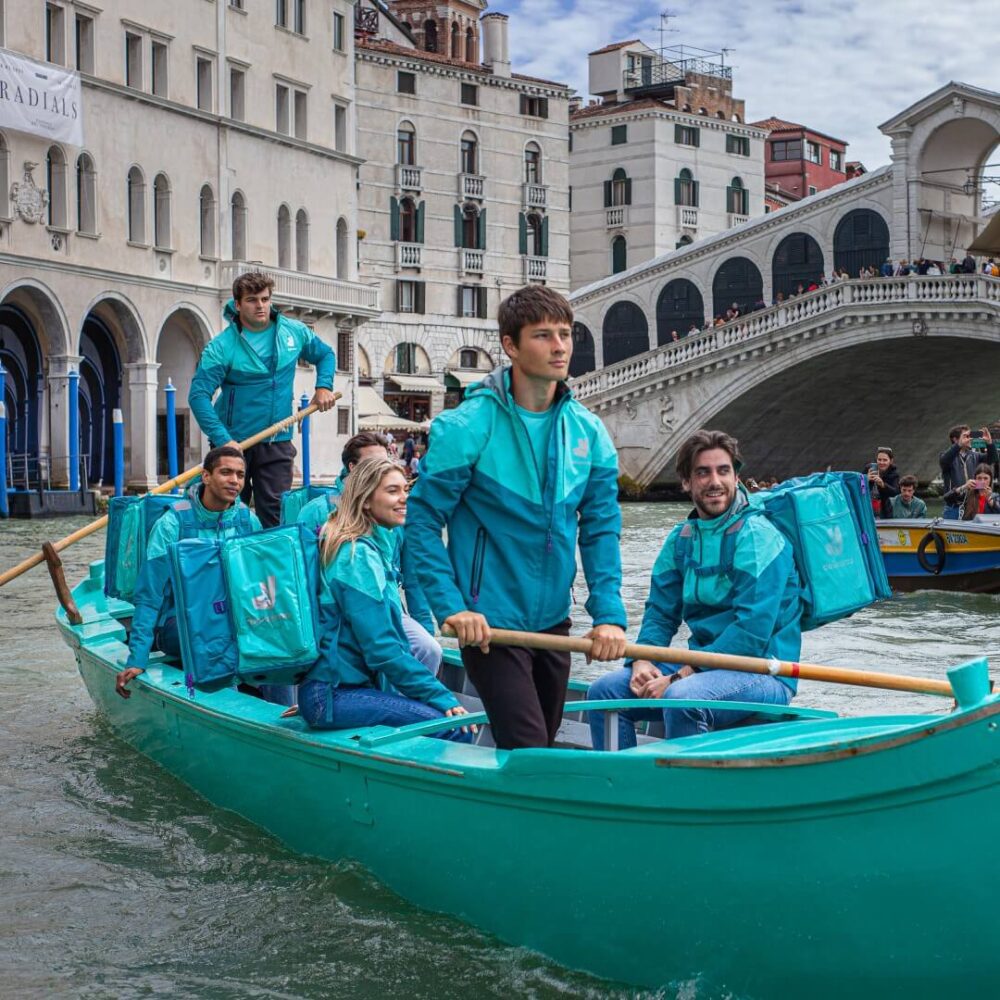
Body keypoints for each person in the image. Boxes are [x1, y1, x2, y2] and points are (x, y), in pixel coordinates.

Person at [405, 285, 627, 751]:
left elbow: (602, 530)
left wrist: (609, 616)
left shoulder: (590, 431)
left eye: (565, 334)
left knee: (541, 744)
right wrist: (451, 608)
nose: (560, 346)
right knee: (529, 749)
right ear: (511, 345)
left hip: (554, 622)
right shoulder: (465, 426)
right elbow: (422, 524)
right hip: (488, 626)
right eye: (544, 335)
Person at [586, 430, 801, 748]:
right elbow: (660, 613)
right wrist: (642, 661)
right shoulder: (680, 540)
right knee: (604, 693)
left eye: (723, 471)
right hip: (700, 665)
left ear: (735, 476)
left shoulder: (758, 537)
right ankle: (624, 787)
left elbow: (751, 634)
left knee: (681, 697)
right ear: (686, 482)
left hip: (764, 670)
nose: (715, 481)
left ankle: (685, 793)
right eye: (703, 472)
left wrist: (678, 676)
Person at [296, 457, 472, 740]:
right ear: (365, 500)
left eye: (406, 489)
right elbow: (382, 649)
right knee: (454, 729)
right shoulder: (356, 555)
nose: (405, 499)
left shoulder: (367, 545)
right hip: (334, 695)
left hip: (338, 691)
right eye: (393, 491)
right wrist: (443, 697)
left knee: (433, 715)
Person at [188, 272, 337, 528]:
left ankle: (271, 567)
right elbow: (198, 396)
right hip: (234, 445)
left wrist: (324, 386)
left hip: (277, 440)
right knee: (228, 515)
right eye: (252, 300)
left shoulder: (294, 332)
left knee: (276, 515)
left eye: (265, 299)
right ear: (238, 304)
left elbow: (325, 354)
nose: (260, 306)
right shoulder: (221, 347)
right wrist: (224, 440)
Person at [115, 446, 262, 699]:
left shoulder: (247, 521)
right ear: (206, 476)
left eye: (240, 474)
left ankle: (285, 716)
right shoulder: (172, 524)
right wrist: (137, 658)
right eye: (226, 472)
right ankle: (231, 706)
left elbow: (261, 583)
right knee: (222, 636)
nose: (234, 481)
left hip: (235, 617)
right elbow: (149, 596)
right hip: (177, 624)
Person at [297, 431, 441, 675]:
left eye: (384, 463)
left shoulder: (396, 511)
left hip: (386, 608)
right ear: (352, 468)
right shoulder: (314, 513)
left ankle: (405, 705)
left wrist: (425, 627)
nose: (380, 470)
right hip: (332, 614)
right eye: (372, 464)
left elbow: (412, 578)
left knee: (429, 649)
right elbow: (301, 577)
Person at [940, 425, 997, 520]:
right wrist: (959, 445)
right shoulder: (946, 456)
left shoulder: (976, 456)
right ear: (955, 439)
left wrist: (989, 443)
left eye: (970, 436)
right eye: (966, 436)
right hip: (953, 507)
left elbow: (993, 459)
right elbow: (945, 461)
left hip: (971, 507)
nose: (970, 439)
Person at [866, 447, 900, 519]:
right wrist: (866, 479)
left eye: (885, 460)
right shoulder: (869, 469)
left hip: (884, 510)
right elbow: (857, 487)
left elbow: (896, 492)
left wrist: (883, 484)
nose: (881, 462)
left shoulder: (894, 474)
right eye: (879, 460)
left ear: (890, 461)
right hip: (868, 507)